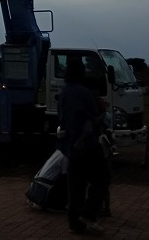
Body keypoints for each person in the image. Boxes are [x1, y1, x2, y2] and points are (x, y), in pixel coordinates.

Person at [57, 57, 105, 235]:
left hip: (69, 146)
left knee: (76, 185)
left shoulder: (64, 92)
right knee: (101, 179)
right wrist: (83, 138)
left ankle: (74, 222)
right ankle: (89, 212)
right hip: (86, 144)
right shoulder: (84, 93)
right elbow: (89, 120)